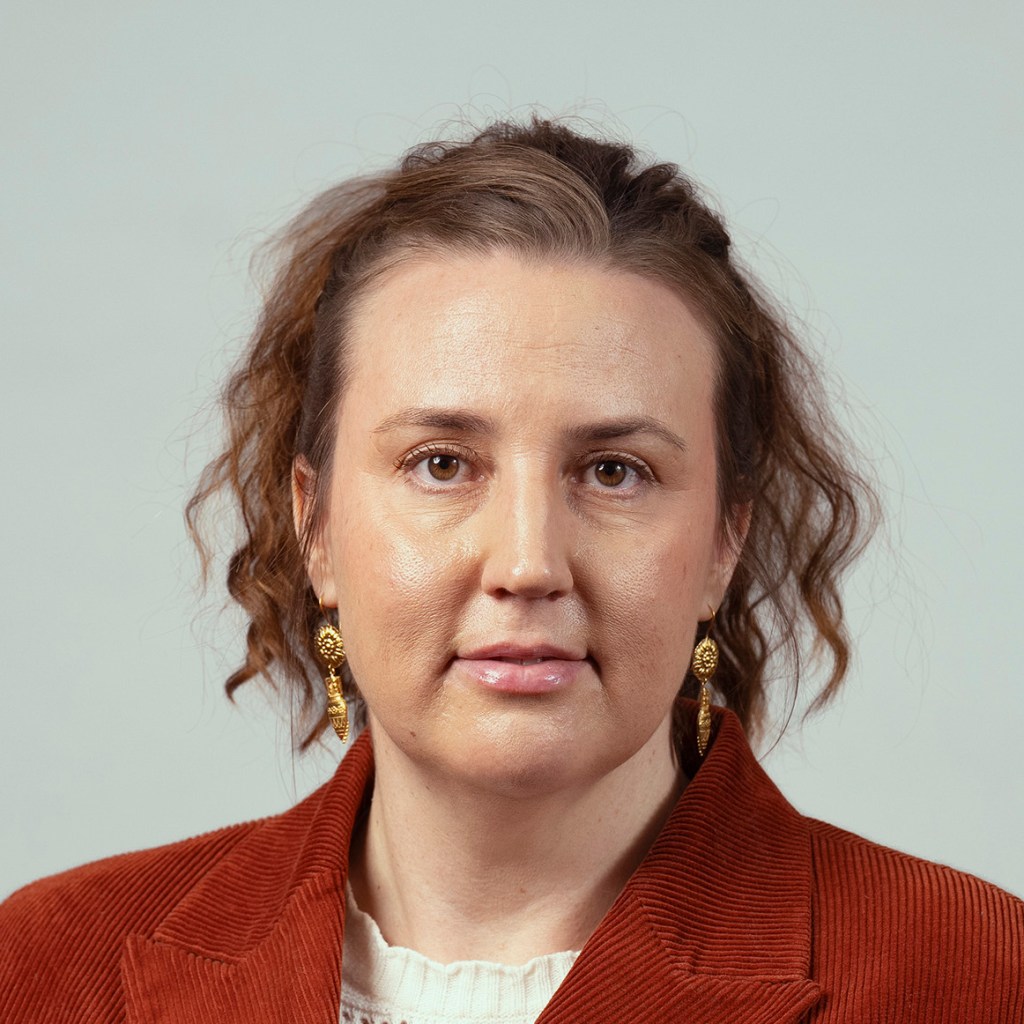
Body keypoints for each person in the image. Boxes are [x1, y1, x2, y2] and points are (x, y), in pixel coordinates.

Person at [1, 118, 1020, 1023]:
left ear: (724, 543)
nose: (528, 564)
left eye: (615, 471)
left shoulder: (981, 978)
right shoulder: (42, 965)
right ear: (315, 527)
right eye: (441, 464)